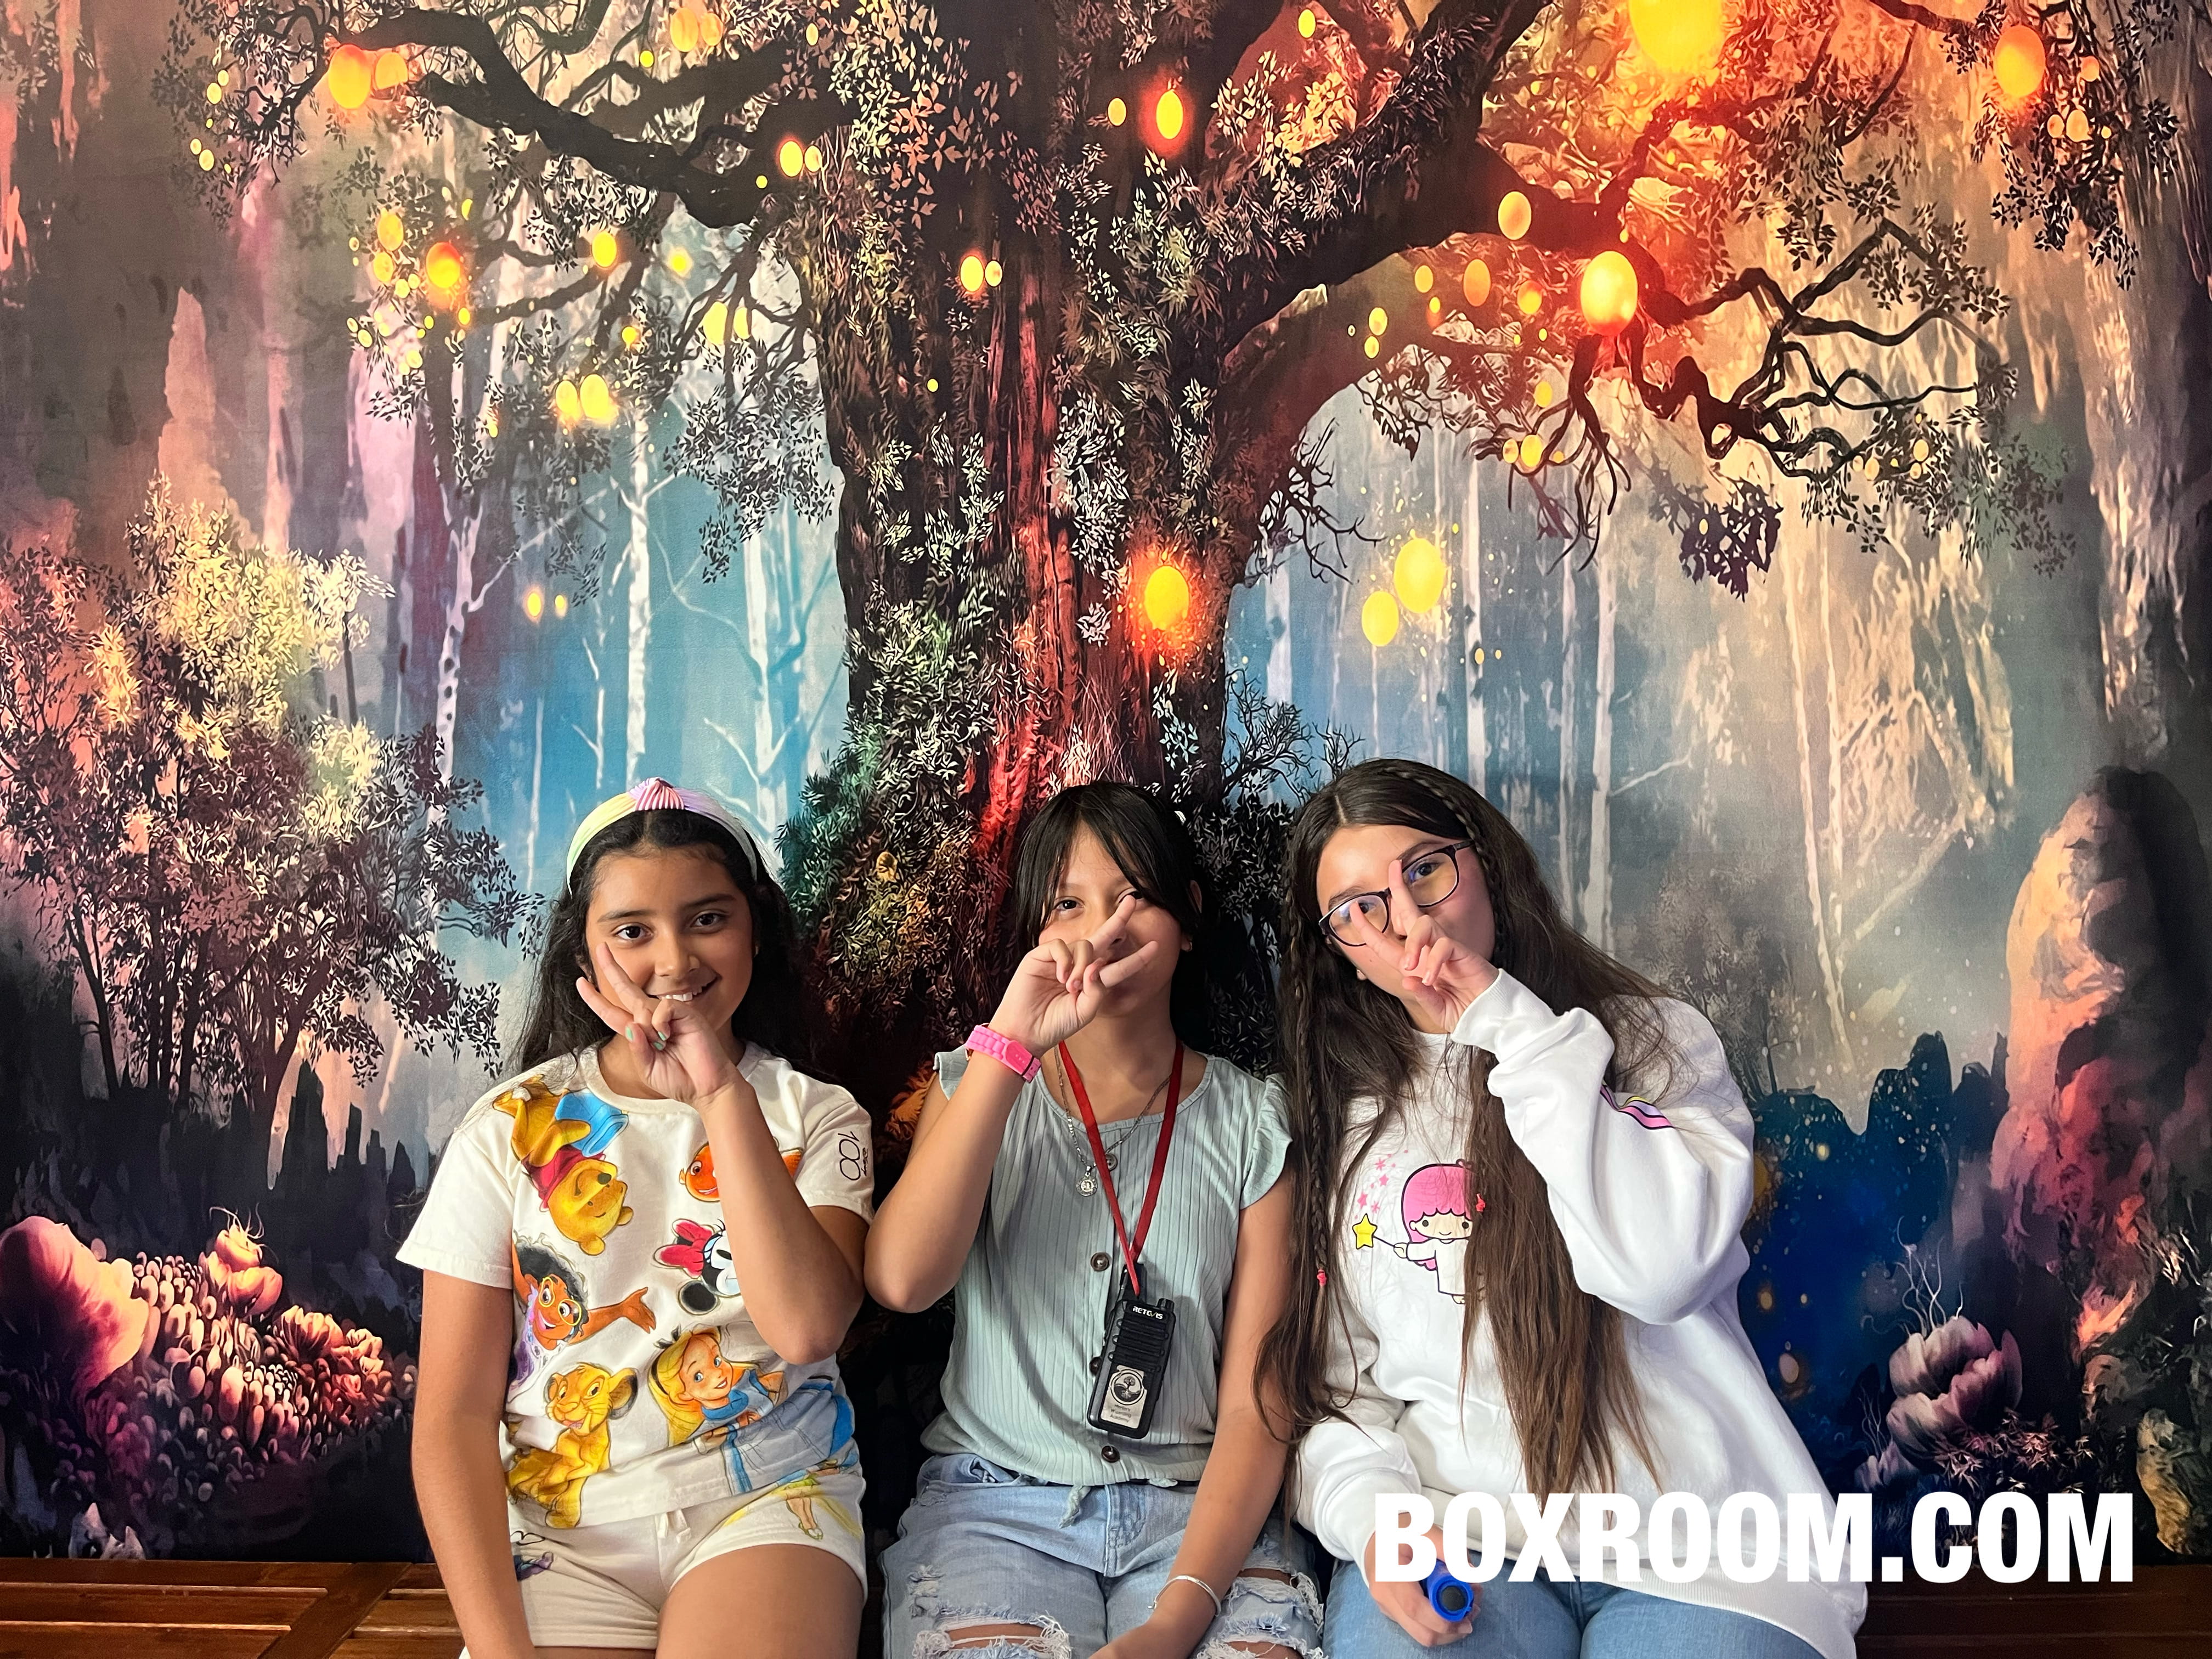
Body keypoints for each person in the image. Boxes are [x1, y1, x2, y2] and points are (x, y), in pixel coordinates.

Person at [1263, 759, 1864, 1659]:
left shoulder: (1653, 1043)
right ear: (1337, 949)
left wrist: (1511, 1024)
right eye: (1360, 908)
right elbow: (1340, 1396)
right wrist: (1377, 1520)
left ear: (1485, 862)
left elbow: (1662, 1272)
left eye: (1425, 870)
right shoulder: (1341, 1121)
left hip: (1702, 1547)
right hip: (1466, 1538)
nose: (1410, 921)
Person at [401, 779, 873, 1659]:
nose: (674, 960)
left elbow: (808, 1328)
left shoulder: (818, 1116)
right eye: (631, 931)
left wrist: (719, 1094)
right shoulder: (508, 1130)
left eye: (708, 919)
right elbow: (453, 1421)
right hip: (562, 1533)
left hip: (769, 1500)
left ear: (756, 928)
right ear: (581, 950)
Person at [867, 782, 1321, 1659]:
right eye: (1068, 904)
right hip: (994, 1506)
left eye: (1133, 895)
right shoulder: (976, 1086)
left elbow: (1256, 1403)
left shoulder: (1254, 1123)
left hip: (1201, 1516)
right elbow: (902, 1281)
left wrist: (1178, 1619)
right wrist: (1010, 1044)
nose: (1103, 928)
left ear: (1188, 919)